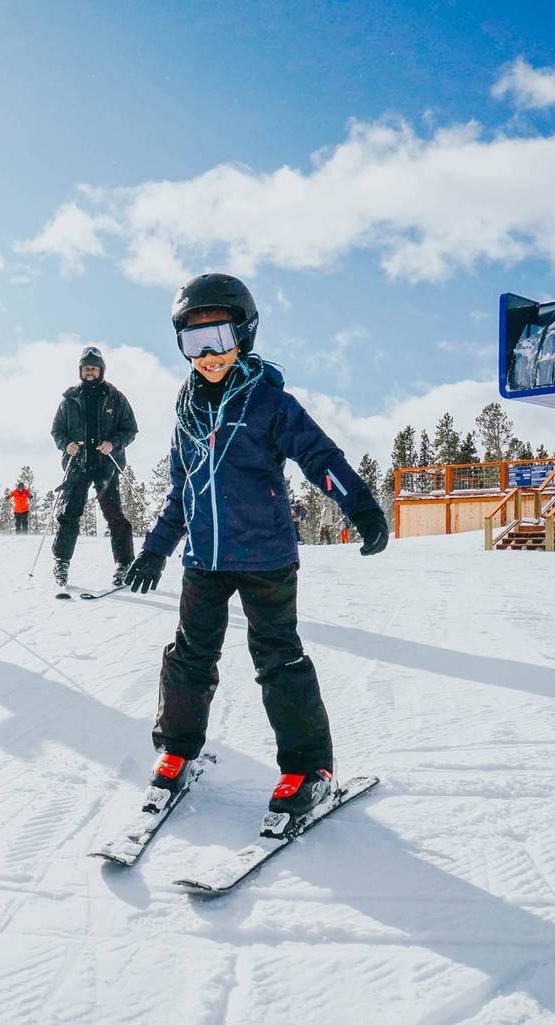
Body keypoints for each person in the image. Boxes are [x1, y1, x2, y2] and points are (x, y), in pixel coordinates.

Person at [122, 272, 390, 822]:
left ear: (244, 335)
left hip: (267, 557)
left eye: (218, 340)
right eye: (193, 344)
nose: (208, 356)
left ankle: (308, 768)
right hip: (204, 561)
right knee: (189, 659)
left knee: (278, 660)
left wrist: (360, 506)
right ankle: (177, 751)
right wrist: (155, 549)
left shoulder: (269, 402)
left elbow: (321, 458)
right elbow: (183, 492)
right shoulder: (187, 414)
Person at [50, 346, 139, 587]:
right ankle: (61, 561)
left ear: (101, 371)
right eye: (86, 368)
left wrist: (114, 443)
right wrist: (66, 444)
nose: (90, 372)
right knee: (69, 514)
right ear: (80, 370)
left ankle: (124, 562)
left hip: (105, 465)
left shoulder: (115, 397)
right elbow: (57, 430)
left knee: (114, 515)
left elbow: (130, 429)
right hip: (77, 464)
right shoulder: (69, 399)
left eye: (94, 368)